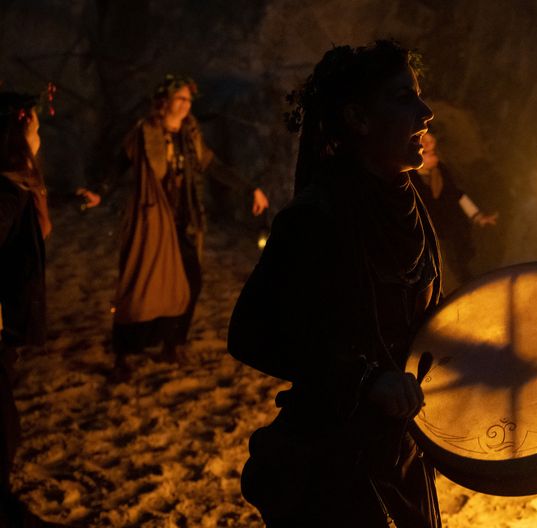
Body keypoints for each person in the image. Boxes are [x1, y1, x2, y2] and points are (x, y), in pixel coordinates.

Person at [228, 41, 441, 527]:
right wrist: (366, 381)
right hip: (334, 465)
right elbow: (249, 334)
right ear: (359, 120)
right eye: (404, 97)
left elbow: (426, 321)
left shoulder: (411, 206)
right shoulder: (316, 218)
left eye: (420, 96)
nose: (426, 114)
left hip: (402, 456)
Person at [79, 76, 269, 380]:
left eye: (188, 100)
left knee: (190, 282)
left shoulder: (190, 133)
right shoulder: (145, 132)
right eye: (179, 99)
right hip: (151, 218)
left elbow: (213, 165)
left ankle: (173, 343)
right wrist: (99, 190)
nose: (186, 105)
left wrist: (250, 189)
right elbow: (119, 164)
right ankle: (123, 355)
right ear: (163, 102)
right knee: (139, 286)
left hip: (185, 220)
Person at [0, 91, 65, 527]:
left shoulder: (14, 187)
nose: (40, 136)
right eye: (36, 127)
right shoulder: (5, 190)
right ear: (21, 131)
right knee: (3, 426)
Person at [411, 131, 497, 291]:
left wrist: (478, 217)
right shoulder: (411, 181)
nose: (433, 156)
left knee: (465, 265)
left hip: (455, 229)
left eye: (434, 152)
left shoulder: (441, 170)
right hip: (435, 237)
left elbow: (457, 194)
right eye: (428, 153)